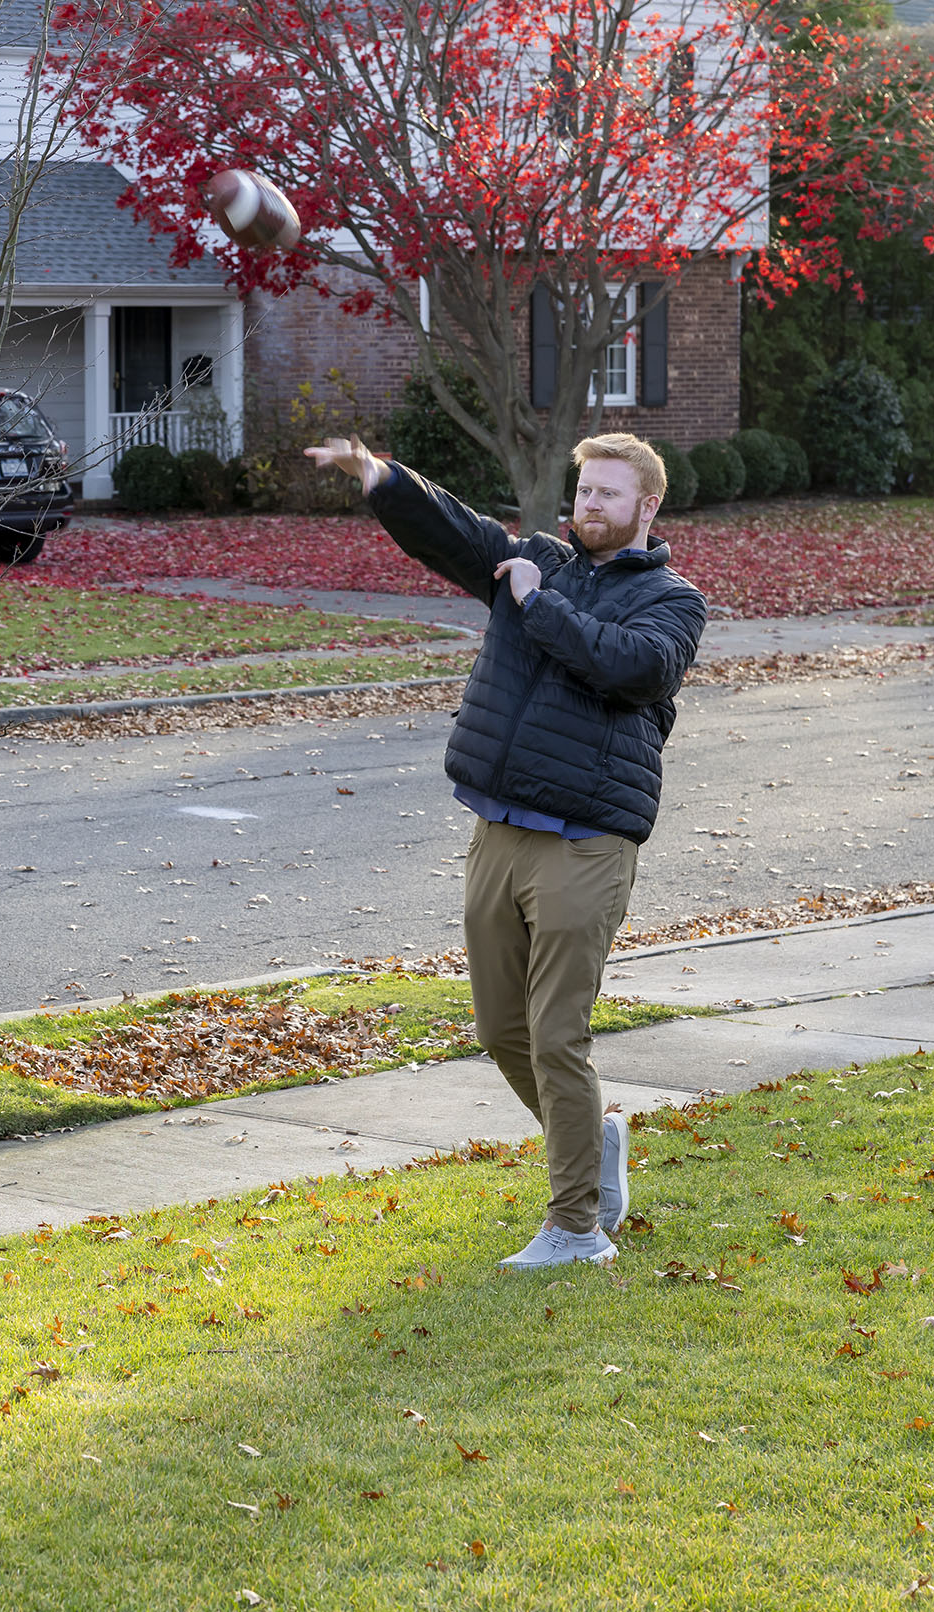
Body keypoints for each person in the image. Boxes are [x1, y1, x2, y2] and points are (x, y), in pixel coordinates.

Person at [305, 431, 707, 1270]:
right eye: (583, 489)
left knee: (556, 1037)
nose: (589, 504)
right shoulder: (534, 561)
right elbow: (451, 531)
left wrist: (536, 605)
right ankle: (592, 1141)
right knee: (499, 1029)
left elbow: (631, 670)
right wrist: (379, 474)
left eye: (607, 492)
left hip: (585, 842)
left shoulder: (670, 600)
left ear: (646, 506)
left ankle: (576, 1229)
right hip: (497, 829)